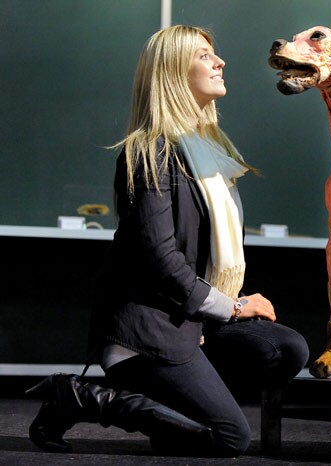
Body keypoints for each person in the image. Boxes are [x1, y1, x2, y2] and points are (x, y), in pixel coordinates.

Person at [26, 25, 309, 458]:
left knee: (285, 348)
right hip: (147, 334)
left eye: (215, 55)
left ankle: (178, 414)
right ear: (174, 73)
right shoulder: (149, 152)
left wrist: (227, 303)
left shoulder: (208, 152)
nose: (220, 62)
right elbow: (160, 259)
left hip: (192, 323)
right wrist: (233, 306)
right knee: (231, 439)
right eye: (203, 56)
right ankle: (80, 396)